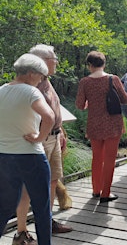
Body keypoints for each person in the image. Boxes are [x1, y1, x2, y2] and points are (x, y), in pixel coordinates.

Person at [14, 45, 73, 245]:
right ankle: (21, 232)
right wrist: (40, 137)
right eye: (53, 58)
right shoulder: (31, 83)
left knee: (53, 180)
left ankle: (48, 222)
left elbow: (55, 108)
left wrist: (60, 132)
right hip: (38, 141)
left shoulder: (46, 80)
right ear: (41, 60)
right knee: (27, 188)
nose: (56, 61)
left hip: (53, 137)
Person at [0, 53, 55, 245]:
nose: (41, 80)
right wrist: (39, 138)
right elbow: (49, 117)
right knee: (42, 208)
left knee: (5, 207)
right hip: (31, 156)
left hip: (4, 157)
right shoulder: (30, 92)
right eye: (41, 76)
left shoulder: (1, 91)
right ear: (31, 73)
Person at [75, 51, 127, 203]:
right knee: (110, 159)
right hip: (113, 123)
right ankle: (106, 193)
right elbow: (124, 99)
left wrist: (88, 103)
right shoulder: (113, 79)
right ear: (104, 64)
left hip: (94, 124)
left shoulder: (84, 82)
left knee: (97, 158)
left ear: (89, 65)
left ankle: (95, 190)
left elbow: (79, 105)